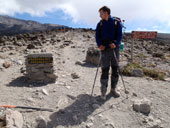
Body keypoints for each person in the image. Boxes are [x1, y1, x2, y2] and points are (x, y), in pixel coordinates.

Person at [95, 6, 123, 100]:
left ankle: (113, 89)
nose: (100, 15)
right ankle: (103, 91)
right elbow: (97, 36)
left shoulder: (116, 22)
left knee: (115, 69)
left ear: (106, 12)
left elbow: (120, 35)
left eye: (101, 13)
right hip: (104, 50)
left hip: (114, 49)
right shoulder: (100, 24)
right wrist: (99, 45)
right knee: (105, 70)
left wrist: (115, 43)